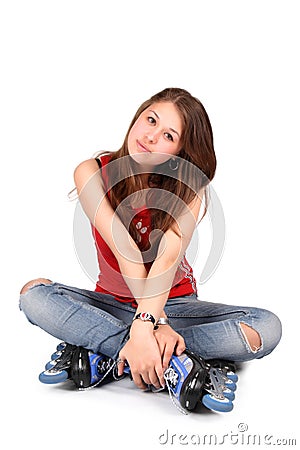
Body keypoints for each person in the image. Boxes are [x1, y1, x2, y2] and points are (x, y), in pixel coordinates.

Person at [19, 87, 282, 413]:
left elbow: (168, 257)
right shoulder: (91, 172)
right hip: (112, 304)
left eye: (168, 135)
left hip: (175, 309)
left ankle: (104, 349)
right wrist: (145, 325)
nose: (152, 136)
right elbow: (125, 247)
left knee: (265, 328)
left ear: (179, 152)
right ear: (138, 116)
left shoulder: (190, 188)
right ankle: (172, 361)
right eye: (151, 120)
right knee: (33, 294)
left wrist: (152, 319)